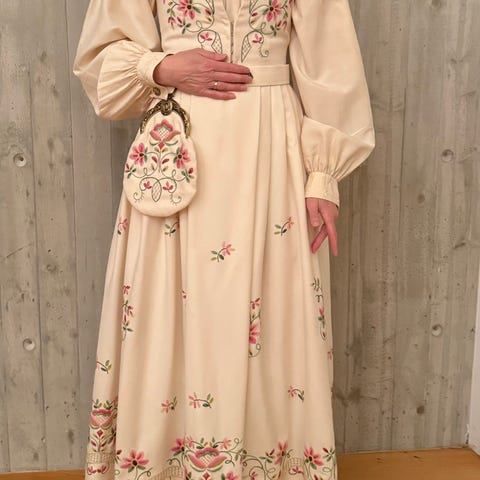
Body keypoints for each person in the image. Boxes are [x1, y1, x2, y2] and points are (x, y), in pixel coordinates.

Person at [73, 0, 374, 479]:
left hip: (271, 145)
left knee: (271, 309)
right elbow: (100, 61)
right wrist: (163, 67)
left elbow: (331, 59)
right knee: (170, 303)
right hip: (180, 142)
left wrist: (323, 176)